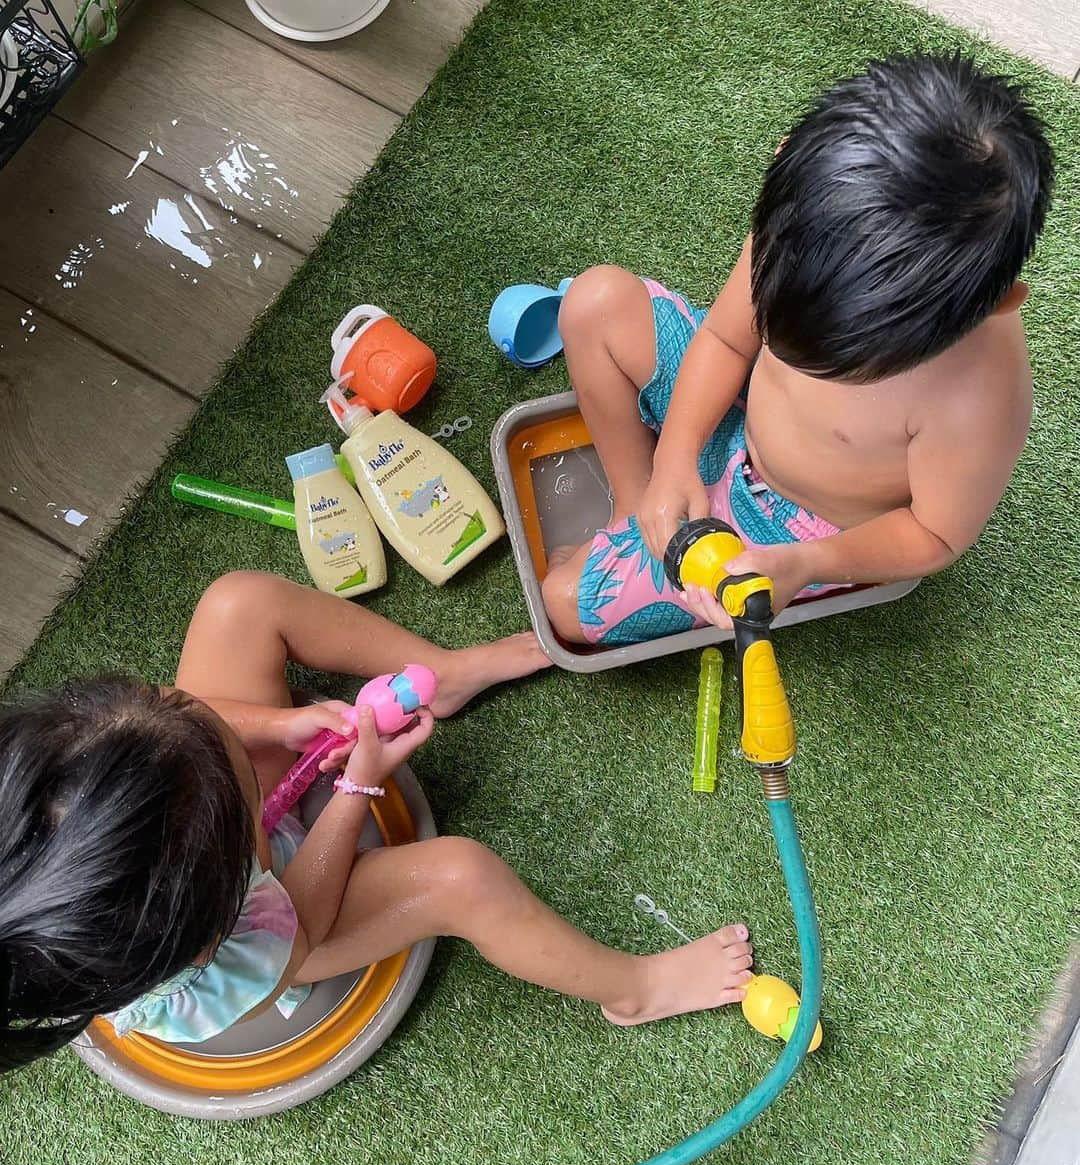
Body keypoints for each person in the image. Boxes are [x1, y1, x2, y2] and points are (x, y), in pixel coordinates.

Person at [0, 571, 753, 1069]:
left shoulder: (80, 776)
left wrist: (273, 725)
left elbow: (189, 713)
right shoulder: (218, 952)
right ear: (230, 874)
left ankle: (449, 673)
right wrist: (356, 787)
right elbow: (302, 924)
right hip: (286, 939)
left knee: (238, 604)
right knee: (464, 877)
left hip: (200, 869)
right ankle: (632, 987)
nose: (209, 724)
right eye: (244, 792)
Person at [541, 54, 1053, 645]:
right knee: (593, 302)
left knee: (563, 605)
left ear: (993, 304)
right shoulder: (806, 218)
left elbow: (934, 535)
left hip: (791, 527)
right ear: (790, 160)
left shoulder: (979, 396)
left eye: (852, 363)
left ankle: (661, 525)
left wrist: (804, 566)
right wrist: (674, 459)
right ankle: (635, 506)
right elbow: (728, 339)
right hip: (728, 413)